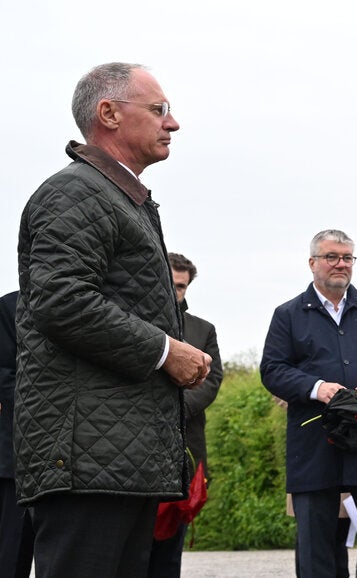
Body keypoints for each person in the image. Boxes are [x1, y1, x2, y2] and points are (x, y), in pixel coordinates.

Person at [16, 62, 212, 578]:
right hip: (86, 462)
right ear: (109, 113)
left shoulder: (122, 199)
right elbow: (60, 299)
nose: (173, 123)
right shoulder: (76, 192)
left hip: (119, 460)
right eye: (159, 110)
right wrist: (167, 350)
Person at [260, 229, 357, 578]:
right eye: (331, 257)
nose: (341, 264)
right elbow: (272, 370)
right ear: (312, 263)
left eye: (347, 257)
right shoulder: (288, 314)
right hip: (314, 445)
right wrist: (315, 387)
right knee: (315, 550)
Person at [148, 253, 224, 577]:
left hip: (185, 446)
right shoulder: (137, 322)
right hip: (139, 446)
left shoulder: (202, 329)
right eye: (170, 283)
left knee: (169, 547)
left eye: (181, 286)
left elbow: (213, 380)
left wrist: (176, 408)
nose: (174, 291)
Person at [0, 291, 33, 578]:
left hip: (78, 458)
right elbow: (4, 375)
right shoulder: (9, 307)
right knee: (12, 553)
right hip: (17, 458)